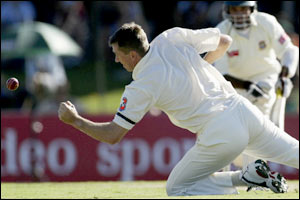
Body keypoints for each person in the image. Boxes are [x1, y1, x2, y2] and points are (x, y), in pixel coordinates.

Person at [58, 22, 299, 196]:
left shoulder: (140, 86)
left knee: (177, 188)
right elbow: (225, 42)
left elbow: (112, 135)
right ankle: (252, 176)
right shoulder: (170, 37)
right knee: (295, 152)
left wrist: (75, 120)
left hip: (220, 130)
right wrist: (200, 66)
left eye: (117, 54)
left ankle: (245, 178)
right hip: (244, 109)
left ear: (132, 55)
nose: (116, 60)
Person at [213, 1, 299, 170]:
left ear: (252, 9)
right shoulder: (222, 31)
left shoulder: (266, 22)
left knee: (256, 125)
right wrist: (247, 85)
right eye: (234, 9)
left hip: (266, 80)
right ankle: (222, 178)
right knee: (233, 136)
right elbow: (221, 74)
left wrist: (286, 75)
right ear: (227, 10)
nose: (239, 14)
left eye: (243, 9)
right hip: (235, 87)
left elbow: (289, 50)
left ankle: (254, 174)